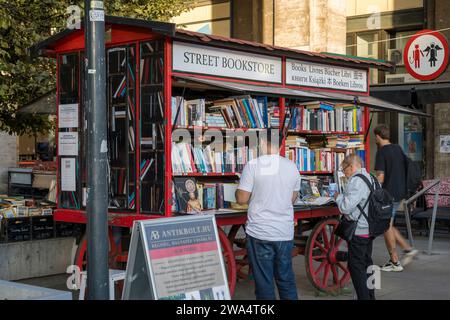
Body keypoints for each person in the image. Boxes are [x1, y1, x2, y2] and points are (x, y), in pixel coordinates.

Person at [235, 132, 300, 300]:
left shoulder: (253, 165)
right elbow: (292, 198)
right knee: (286, 280)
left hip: (260, 232)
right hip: (284, 232)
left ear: (263, 142)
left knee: (264, 284)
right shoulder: (292, 166)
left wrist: (238, 189)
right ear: (280, 145)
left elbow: (242, 199)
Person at [374, 125, 419, 272]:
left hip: (388, 194)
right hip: (399, 193)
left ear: (378, 136)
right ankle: (407, 250)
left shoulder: (381, 152)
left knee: (386, 226)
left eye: (375, 136)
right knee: (388, 225)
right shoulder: (397, 148)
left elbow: (380, 177)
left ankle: (395, 262)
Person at [333, 154, 375, 300]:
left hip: (360, 230)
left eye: (344, 169)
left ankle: (364, 297)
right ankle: (371, 295)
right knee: (368, 263)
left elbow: (345, 207)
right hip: (371, 228)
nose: (344, 173)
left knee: (355, 267)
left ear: (351, 166)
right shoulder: (371, 178)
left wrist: (337, 196)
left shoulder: (357, 181)